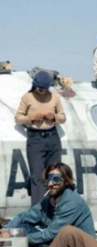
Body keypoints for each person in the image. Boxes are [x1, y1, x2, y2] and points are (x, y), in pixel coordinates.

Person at [4, 163, 95, 247]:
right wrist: (5, 232)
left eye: (56, 179)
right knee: (20, 225)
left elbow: (50, 234)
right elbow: (23, 216)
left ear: (66, 181)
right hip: (55, 244)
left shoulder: (72, 201)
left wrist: (19, 240)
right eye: (48, 180)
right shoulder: (51, 199)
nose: (50, 184)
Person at [14, 71, 66, 206]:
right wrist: (31, 118)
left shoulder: (54, 97)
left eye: (45, 89)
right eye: (39, 88)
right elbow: (18, 118)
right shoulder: (27, 97)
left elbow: (62, 117)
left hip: (53, 137)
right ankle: (39, 211)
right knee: (37, 177)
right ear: (35, 86)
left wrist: (53, 117)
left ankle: (55, 209)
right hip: (35, 139)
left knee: (55, 175)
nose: (42, 91)